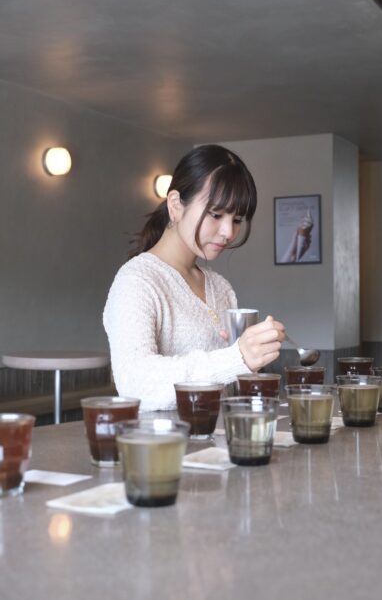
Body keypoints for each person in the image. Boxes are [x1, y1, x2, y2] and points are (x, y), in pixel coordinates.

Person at [103, 144, 286, 411]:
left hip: (218, 434)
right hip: (164, 437)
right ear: (175, 205)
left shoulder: (220, 288)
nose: (228, 232)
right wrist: (237, 357)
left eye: (237, 219)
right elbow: (136, 383)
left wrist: (254, 352)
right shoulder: (137, 281)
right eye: (216, 214)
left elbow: (230, 384)